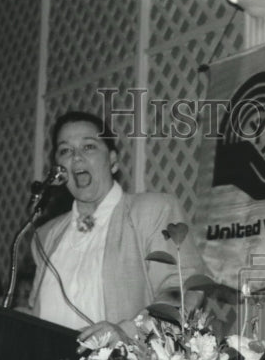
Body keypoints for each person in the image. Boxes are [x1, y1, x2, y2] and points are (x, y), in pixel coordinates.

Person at [28, 110, 205, 342]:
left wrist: (128, 332)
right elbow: (34, 313)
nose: (76, 157)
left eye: (88, 146)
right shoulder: (45, 236)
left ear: (112, 161)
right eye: (65, 151)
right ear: (58, 169)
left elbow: (183, 289)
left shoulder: (152, 211)